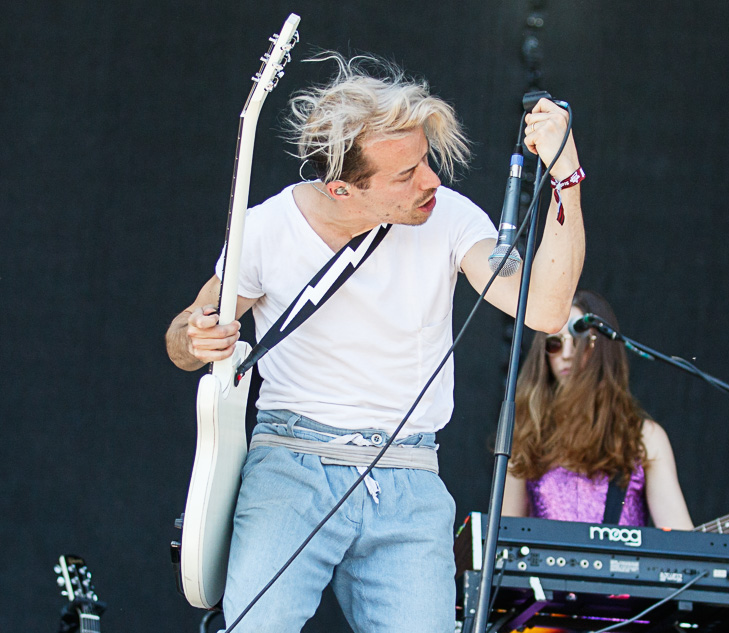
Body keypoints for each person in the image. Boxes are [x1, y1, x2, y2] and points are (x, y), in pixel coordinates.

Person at [165, 53, 585, 633]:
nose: (431, 181)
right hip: (291, 464)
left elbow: (545, 309)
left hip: (409, 472)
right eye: (405, 174)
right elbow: (183, 337)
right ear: (342, 189)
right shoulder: (265, 230)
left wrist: (567, 179)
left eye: (426, 160)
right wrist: (197, 337)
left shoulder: (449, 217)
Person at [502, 290, 729, 540]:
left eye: (579, 341)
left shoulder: (644, 438)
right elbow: (502, 541)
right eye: (554, 344)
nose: (566, 354)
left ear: (603, 348)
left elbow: (683, 544)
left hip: (624, 583)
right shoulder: (526, 434)